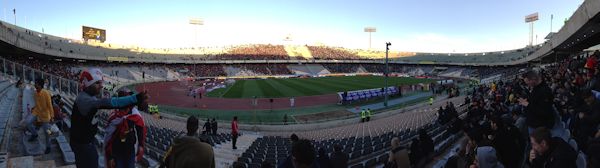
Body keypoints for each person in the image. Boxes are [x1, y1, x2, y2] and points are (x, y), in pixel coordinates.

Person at [70, 68, 148, 168]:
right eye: (97, 83)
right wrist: (134, 98)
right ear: (88, 84)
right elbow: (108, 102)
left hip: (85, 142)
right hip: (84, 145)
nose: (101, 86)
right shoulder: (85, 100)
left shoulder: (87, 97)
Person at [104, 88, 146, 168]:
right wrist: (110, 156)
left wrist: (141, 145)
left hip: (130, 152)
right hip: (117, 153)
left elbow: (140, 129)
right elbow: (108, 138)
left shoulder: (136, 115)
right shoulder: (114, 117)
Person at [27, 78, 54, 154]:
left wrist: (52, 116)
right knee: (28, 122)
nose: (35, 85)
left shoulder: (46, 93)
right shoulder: (35, 93)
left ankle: (48, 146)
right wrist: (33, 109)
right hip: (37, 112)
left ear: (40, 85)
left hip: (45, 116)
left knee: (47, 132)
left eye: (36, 83)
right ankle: (35, 134)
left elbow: (50, 105)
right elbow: (37, 104)